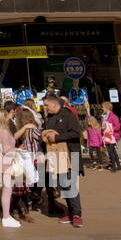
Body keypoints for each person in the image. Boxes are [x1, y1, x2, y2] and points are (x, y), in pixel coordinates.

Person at [41, 94, 84, 227]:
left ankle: (77, 214)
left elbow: (77, 133)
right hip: (55, 156)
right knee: (63, 184)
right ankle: (70, 212)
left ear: (54, 104)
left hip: (70, 154)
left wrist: (57, 138)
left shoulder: (68, 115)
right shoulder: (48, 118)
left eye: (47, 105)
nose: (45, 108)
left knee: (70, 184)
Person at [0, 110, 23, 228]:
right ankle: (6, 217)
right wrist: (18, 149)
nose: (9, 118)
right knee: (7, 191)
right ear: (4, 118)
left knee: (6, 190)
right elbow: (7, 150)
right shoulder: (4, 132)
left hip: (2, 164)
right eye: (8, 116)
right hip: (8, 163)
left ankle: (6, 216)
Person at [100, 102, 121, 172]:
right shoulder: (104, 116)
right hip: (107, 136)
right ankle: (118, 166)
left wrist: (109, 128)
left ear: (107, 108)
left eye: (103, 107)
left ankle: (114, 166)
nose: (102, 108)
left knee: (110, 151)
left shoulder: (113, 116)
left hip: (112, 136)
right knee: (113, 151)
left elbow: (117, 127)